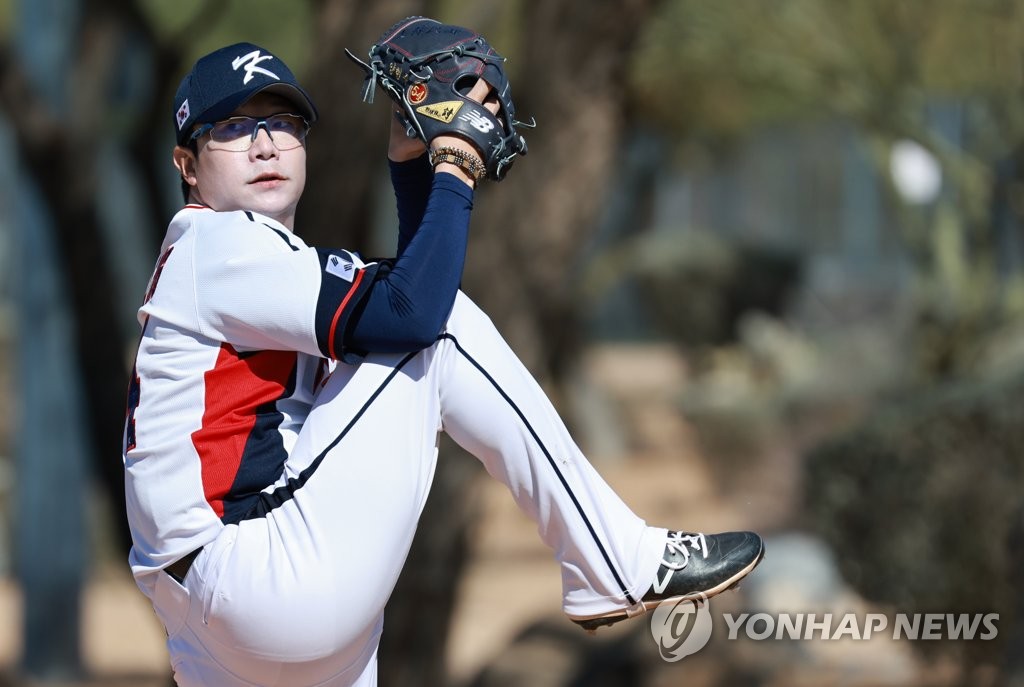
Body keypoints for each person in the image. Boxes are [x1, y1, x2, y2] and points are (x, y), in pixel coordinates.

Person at [123, 39, 764, 687]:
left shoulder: (246, 265)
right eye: (234, 128)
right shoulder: (223, 241)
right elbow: (417, 317)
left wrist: (411, 168)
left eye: (283, 123)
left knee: (420, 325)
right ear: (188, 166)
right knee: (446, 328)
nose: (265, 144)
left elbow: (399, 301)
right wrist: (453, 166)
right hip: (255, 576)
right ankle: (612, 558)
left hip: (220, 614)